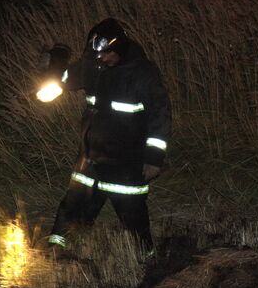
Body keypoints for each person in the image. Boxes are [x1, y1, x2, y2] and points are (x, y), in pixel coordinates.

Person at [40, 18, 171, 258]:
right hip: (90, 158)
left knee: (134, 220)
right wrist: (56, 60)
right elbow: (64, 79)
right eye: (97, 55)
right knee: (72, 209)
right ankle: (55, 253)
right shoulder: (93, 66)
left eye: (107, 54)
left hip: (126, 163)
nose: (102, 59)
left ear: (119, 48)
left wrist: (153, 158)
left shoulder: (142, 73)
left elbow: (160, 116)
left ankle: (147, 262)